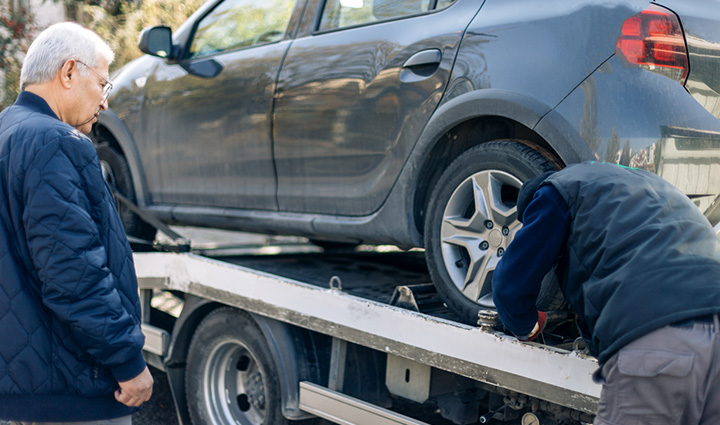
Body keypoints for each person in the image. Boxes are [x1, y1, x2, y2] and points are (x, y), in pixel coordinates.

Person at [0, 22, 152, 424]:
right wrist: (127, 361)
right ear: (69, 72)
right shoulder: (55, 142)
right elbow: (74, 273)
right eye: (103, 84)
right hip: (70, 393)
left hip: (19, 385)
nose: (104, 103)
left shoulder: (6, 133)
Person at [492, 162, 720, 424]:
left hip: (657, 340)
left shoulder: (555, 192)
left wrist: (525, 325)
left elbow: (510, 284)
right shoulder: (651, 185)